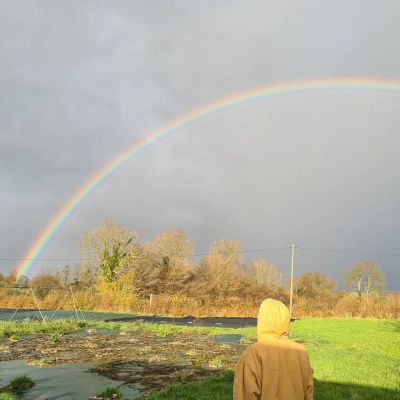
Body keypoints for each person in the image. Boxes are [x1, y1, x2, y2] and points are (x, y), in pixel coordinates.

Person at [233, 298, 313, 400]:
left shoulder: (253, 353)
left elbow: (245, 394)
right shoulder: (300, 350)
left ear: (262, 319)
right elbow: (308, 390)